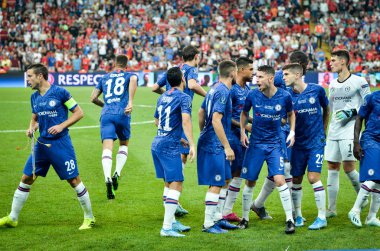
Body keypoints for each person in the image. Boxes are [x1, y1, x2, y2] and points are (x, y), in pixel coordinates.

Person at [0, 63, 94, 230]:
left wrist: (62, 125)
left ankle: (89, 217)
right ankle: (13, 217)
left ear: (40, 76)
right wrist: (31, 127)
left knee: (73, 180)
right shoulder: (34, 97)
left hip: (60, 144)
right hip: (41, 144)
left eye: (29, 76)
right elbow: (35, 117)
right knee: (26, 178)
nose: (27, 80)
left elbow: (79, 112)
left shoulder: (60, 92)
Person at [251, 51, 309, 220]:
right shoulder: (277, 77)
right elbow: (260, 92)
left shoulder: (298, 84)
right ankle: (292, 213)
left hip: (291, 130)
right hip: (277, 130)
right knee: (285, 168)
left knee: (281, 170)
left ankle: (258, 204)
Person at [240, 65, 296, 234]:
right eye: (256, 77)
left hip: (275, 145)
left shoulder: (284, 96)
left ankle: (290, 220)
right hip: (256, 144)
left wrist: (292, 132)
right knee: (250, 181)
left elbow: (291, 114)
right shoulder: (252, 95)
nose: (257, 80)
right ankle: (244, 219)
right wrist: (243, 132)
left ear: (271, 78)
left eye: (260, 77)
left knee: (280, 179)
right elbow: (243, 113)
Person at [152, 45, 207, 216]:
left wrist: (167, 95)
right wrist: (208, 95)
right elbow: (192, 84)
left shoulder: (173, 69)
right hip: (181, 114)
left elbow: (154, 87)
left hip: (168, 120)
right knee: (179, 160)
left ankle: (171, 200)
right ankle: (172, 201)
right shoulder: (191, 70)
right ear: (196, 56)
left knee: (176, 158)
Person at [283, 63, 330, 230]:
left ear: (297, 75)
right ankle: (298, 215)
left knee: (313, 178)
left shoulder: (317, 90)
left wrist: (323, 129)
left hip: (315, 142)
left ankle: (322, 217)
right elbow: (283, 118)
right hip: (297, 144)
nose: (284, 77)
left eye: (286, 74)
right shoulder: (287, 95)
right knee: (296, 179)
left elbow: (326, 108)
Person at [325, 49, 371, 217]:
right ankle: (331, 209)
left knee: (349, 167)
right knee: (332, 166)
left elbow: (369, 103)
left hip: (350, 130)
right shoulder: (332, 84)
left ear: (343, 61)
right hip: (334, 130)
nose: (331, 63)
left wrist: (352, 112)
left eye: (334, 60)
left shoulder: (359, 81)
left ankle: (363, 197)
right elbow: (331, 108)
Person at [152, 67, 196, 237]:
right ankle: (166, 228)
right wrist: (192, 144)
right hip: (169, 146)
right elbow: (186, 120)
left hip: (157, 143)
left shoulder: (163, 96)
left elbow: (157, 121)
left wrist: (179, 138)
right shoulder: (184, 98)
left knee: (169, 183)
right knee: (177, 182)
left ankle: (171, 222)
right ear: (182, 79)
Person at [197, 60, 239, 234]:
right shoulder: (223, 91)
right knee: (216, 182)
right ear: (233, 73)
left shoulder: (214, 87)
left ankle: (218, 218)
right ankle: (208, 223)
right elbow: (216, 119)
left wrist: (202, 132)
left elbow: (200, 113)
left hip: (210, 139)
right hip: (214, 143)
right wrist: (227, 147)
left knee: (225, 179)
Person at [90, 54, 138, 199]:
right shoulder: (130, 75)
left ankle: (107, 178)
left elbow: (93, 98)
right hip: (123, 113)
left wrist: (106, 106)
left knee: (107, 148)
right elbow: (134, 79)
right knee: (124, 144)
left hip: (106, 114)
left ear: (114, 63)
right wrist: (130, 102)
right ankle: (116, 172)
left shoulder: (104, 78)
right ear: (126, 64)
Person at [220, 57, 253, 225]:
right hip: (231, 137)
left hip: (242, 138)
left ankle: (227, 211)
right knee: (227, 175)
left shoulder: (247, 89)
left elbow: (243, 115)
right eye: (250, 69)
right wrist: (244, 127)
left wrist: (254, 122)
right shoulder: (231, 89)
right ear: (241, 70)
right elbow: (226, 116)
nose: (253, 72)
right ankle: (219, 212)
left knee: (239, 173)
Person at [349, 90, 380, 227]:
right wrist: (356, 142)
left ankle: (371, 217)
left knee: (379, 181)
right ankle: (355, 210)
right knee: (373, 177)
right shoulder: (372, 97)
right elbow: (359, 118)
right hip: (371, 140)